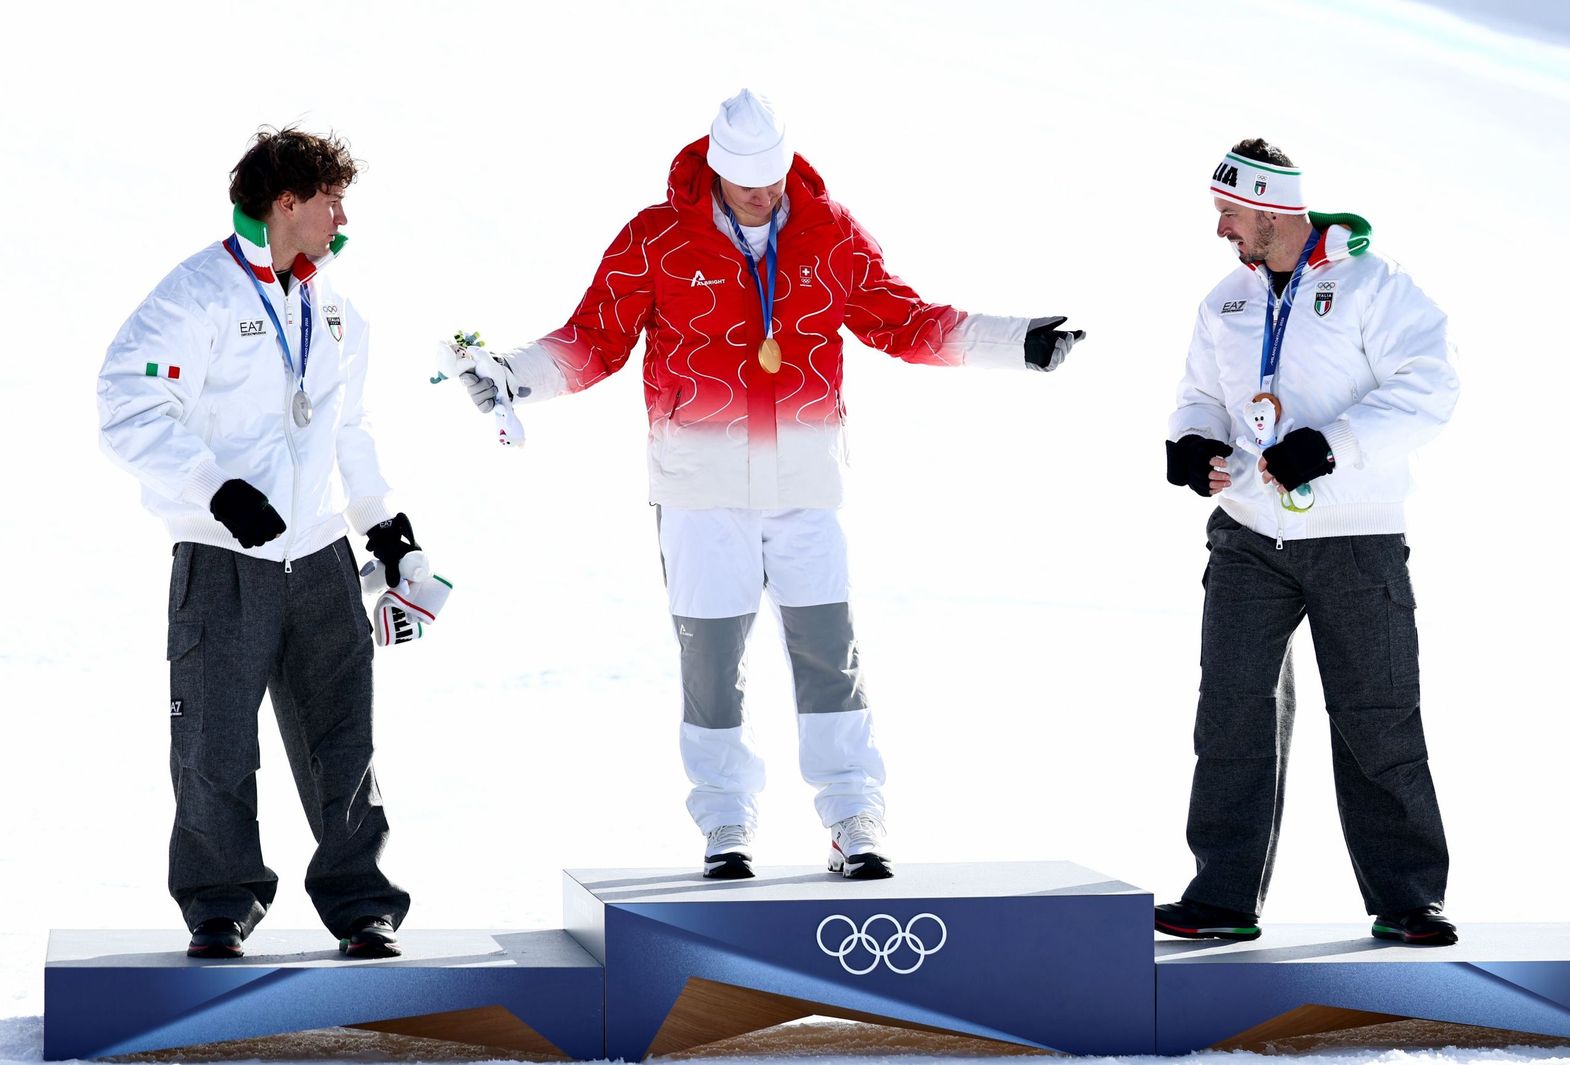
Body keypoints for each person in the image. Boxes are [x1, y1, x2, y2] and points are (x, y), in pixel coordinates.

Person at [452, 90, 1083, 880]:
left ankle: (854, 811)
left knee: (830, 654)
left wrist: (1017, 343)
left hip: (803, 483)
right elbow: (594, 338)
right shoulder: (656, 237)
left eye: (773, 177)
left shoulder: (828, 231)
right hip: (697, 490)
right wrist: (512, 375)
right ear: (714, 166)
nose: (762, 194)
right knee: (713, 663)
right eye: (746, 179)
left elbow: (906, 320)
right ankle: (725, 821)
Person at [98, 128, 426, 959]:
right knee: (214, 740)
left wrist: (382, 523)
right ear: (288, 202)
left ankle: (361, 902)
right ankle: (219, 900)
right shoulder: (197, 295)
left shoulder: (337, 311)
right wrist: (213, 488)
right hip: (221, 560)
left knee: (342, 737)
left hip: (317, 558)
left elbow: (350, 428)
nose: (342, 216)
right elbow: (125, 407)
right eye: (331, 200)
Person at [1157, 138, 1459, 945]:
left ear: (1271, 209)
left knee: (1377, 713)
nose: (1222, 230)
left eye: (1230, 214)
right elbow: (1199, 395)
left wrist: (1333, 444)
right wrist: (1193, 444)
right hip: (1249, 535)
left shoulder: (1373, 285)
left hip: (1355, 536)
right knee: (1230, 713)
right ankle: (1222, 895)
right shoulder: (1225, 300)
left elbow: (1431, 386)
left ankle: (1407, 898)